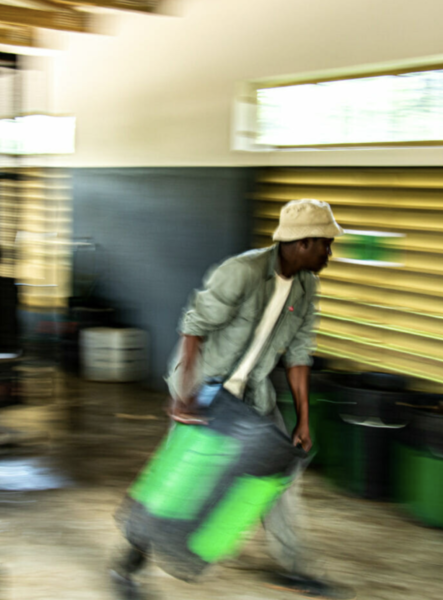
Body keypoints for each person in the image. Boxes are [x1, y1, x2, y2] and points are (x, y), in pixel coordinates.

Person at [112, 199, 351, 599]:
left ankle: (294, 565)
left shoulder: (308, 286)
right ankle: (129, 565)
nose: (330, 252)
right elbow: (193, 327)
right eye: (326, 243)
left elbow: (298, 354)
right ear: (304, 242)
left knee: (276, 474)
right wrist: (186, 396)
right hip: (205, 389)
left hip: (254, 395)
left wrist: (303, 421)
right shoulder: (242, 271)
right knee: (179, 480)